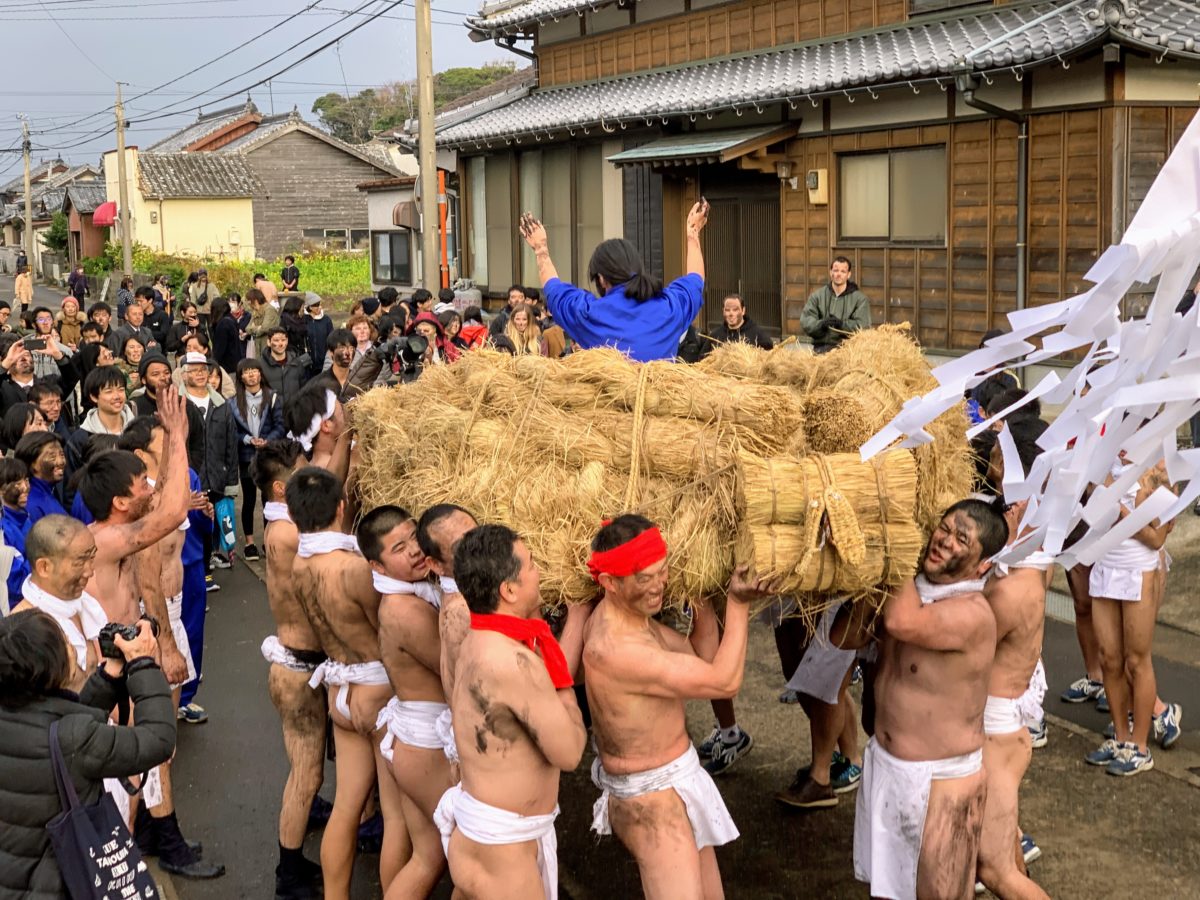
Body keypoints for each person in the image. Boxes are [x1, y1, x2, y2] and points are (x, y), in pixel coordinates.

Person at [581, 515, 772, 899]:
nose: (658, 586)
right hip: (651, 804)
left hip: (676, 781)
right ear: (609, 583)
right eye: (644, 578)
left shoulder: (635, 620)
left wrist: (701, 591)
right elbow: (723, 681)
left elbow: (701, 655)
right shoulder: (616, 649)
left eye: (662, 571)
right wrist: (736, 605)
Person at [75, 389, 223, 879]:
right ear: (119, 502)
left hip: (123, 666)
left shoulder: (114, 530)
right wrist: (178, 438)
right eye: (141, 483)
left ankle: (155, 843)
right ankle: (129, 870)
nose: (149, 487)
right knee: (134, 773)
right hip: (111, 677)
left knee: (146, 766)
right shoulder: (108, 539)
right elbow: (173, 510)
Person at [837, 499, 1007, 900]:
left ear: (982, 565)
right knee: (886, 891)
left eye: (961, 539)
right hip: (888, 768)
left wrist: (892, 546)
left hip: (943, 782)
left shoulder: (972, 613)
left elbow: (901, 623)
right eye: (944, 529)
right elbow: (843, 639)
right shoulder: (912, 590)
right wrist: (869, 585)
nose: (944, 541)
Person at [437, 524, 587, 900]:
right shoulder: (514, 661)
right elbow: (569, 753)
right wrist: (564, 686)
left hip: (485, 840)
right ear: (508, 590)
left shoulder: (478, 637)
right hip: (501, 856)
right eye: (532, 564)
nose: (539, 571)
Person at [0, 609, 176, 898]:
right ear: (51, 666)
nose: (72, 649)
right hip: (63, 885)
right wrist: (143, 664)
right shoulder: (75, 739)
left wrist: (109, 675)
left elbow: (58, 725)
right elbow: (158, 739)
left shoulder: (14, 713)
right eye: (65, 644)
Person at [287, 466, 398, 898]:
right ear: (340, 507)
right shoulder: (355, 568)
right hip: (375, 690)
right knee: (395, 814)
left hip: (339, 690)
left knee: (347, 807)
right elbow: (385, 632)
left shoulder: (300, 563)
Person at [359, 506, 453, 898]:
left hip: (412, 738)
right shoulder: (406, 609)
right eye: (399, 548)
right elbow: (453, 671)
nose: (415, 550)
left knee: (429, 856)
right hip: (425, 743)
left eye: (414, 537)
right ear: (377, 567)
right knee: (466, 855)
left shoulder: (411, 595)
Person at [976, 427, 1052, 899]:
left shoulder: (1011, 585)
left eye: (1001, 464)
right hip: (1001, 723)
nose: (992, 473)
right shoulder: (1030, 553)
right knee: (1004, 856)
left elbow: (967, 640)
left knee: (995, 868)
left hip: (997, 729)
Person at [250, 440, 328, 898]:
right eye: (302, 474)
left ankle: (302, 833)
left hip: (295, 666)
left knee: (306, 770)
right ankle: (289, 871)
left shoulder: (283, 523)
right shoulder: (287, 535)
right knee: (306, 774)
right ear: (282, 488)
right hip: (297, 671)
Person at [522, 201, 711, 363]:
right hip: (659, 402)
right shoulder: (671, 307)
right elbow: (695, 281)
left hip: (609, 403)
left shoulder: (589, 314)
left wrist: (541, 249)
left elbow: (555, 291)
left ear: (601, 279)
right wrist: (692, 234)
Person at [1085, 457, 1179, 775]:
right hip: (1103, 565)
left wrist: (1120, 512)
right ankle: (1121, 737)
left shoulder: (1158, 471)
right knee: (1109, 658)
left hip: (1138, 569)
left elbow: (1156, 539)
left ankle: (1140, 746)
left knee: (1136, 660)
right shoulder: (1100, 462)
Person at [181, 353, 239, 571]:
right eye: (194, 370)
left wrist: (231, 481)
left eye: (203, 370)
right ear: (184, 374)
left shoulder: (221, 404)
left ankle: (210, 558)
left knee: (213, 520)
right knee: (192, 524)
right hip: (190, 477)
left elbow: (231, 445)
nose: (200, 374)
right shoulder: (179, 403)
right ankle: (199, 569)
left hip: (217, 474)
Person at [231, 359, 284, 560]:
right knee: (249, 499)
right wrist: (246, 439)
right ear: (241, 377)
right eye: (247, 372)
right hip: (246, 456)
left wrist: (267, 441)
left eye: (255, 371)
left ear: (261, 374)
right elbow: (232, 432)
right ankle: (250, 543)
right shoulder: (234, 401)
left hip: (268, 455)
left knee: (268, 499)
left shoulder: (272, 397)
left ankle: (268, 540)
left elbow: (280, 425)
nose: (252, 375)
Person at [66, 366, 135, 475]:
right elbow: (72, 484)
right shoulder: (81, 439)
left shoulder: (138, 430)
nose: (117, 396)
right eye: (109, 391)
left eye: (121, 390)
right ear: (94, 396)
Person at [800, 257, 872, 353]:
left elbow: (864, 326)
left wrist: (842, 324)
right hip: (821, 349)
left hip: (848, 351)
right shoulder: (817, 296)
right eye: (836, 270)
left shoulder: (860, 299)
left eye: (843, 271)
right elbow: (806, 320)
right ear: (831, 272)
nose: (838, 274)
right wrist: (821, 324)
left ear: (849, 274)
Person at [15, 431, 67, 524]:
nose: (60, 462)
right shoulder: (31, 504)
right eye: (52, 457)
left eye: (62, 455)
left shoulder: (49, 491)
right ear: (32, 463)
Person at [0, 458, 31, 607]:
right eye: (17, 484)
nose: (25, 487)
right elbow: (15, 584)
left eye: (26, 480)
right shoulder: (3, 531)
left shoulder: (25, 516)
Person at [702, 293, 774, 353]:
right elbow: (702, 360)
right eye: (727, 310)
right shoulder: (715, 335)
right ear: (723, 311)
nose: (731, 314)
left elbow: (770, 358)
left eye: (735, 310)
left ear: (743, 311)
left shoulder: (758, 335)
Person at [260, 326, 309, 408]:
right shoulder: (260, 365)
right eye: (276, 340)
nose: (280, 344)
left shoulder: (297, 363)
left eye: (283, 340)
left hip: (294, 413)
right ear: (268, 342)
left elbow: (304, 389)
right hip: (273, 414)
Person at [27, 306, 76, 385]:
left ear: (52, 322)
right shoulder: (26, 347)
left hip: (55, 392)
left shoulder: (64, 350)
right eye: (41, 319)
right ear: (33, 325)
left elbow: (70, 379)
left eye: (48, 319)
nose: (45, 322)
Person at [209, 296, 243, 375]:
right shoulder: (231, 319)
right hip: (236, 361)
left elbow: (219, 348)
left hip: (226, 365)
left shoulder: (223, 324)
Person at [245, 287, 281, 356]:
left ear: (255, 300)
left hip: (269, 346)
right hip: (258, 347)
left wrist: (254, 328)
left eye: (248, 300)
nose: (248, 303)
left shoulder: (269, 309)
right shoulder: (255, 312)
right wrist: (257, 328)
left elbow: (265, 328)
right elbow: (247, 329)